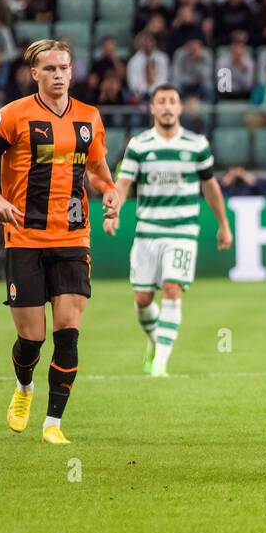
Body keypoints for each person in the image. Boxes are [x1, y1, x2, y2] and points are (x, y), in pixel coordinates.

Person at [0, 40, 121, 444]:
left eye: (64, 68)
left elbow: (100, 170)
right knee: (31, 338)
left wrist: (109, 191)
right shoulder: (14, 115)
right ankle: (24, 387)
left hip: (73, 236)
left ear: (72, 71)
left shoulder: (89, 117)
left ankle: (53, 423)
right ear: (34, 73)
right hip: (24, 237)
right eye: (49, 69)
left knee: (68, 332)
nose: (58, 75)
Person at [104, 85, 233, 377]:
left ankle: (160, 364)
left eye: (172, 101)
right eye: (160, 101)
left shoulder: (196, 144)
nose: (166, 106)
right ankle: (155, 342)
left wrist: (223, 224)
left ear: (179, 108)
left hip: (183, 231)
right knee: (142, 300)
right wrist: (114, 212)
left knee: (173, 290)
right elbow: (123, 184)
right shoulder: (139, 145)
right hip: (147, 231)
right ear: (152, 108)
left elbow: (210, 186)